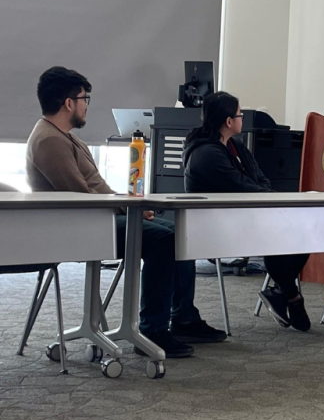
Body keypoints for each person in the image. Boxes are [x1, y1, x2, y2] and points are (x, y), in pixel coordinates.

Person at [25, 67, 225, 358]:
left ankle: (183, 318)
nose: (86, 105)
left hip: (97, 217)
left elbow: (97, 187)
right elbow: (81, 196)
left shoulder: (66, 137)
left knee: (178, 232)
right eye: (84, 99)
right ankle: (152, 328)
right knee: (164, 240)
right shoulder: (49, 140)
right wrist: (129, 208)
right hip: (79, 225)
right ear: (69, 103)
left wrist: (131, 206)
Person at [183, 91, 311, 331]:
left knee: (302, 231)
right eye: (240, 114)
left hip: (242, 216)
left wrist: (272, 197)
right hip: (216, 227)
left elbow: (259, 179)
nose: (243, 118)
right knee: (280, 233)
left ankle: (283, 293)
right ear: (229, 121)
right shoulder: (206, 154)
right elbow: (240, 187)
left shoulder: (234, 145)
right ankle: (290, 296)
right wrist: (276, 200)